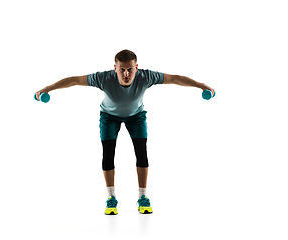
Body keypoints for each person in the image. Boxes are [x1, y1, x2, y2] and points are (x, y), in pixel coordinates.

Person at [35, 49, 214, 215]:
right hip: (109, 117)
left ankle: (142, 198)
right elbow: (74, 80)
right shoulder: (103, 78)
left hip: (136, 116)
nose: (126, 74)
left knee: (141, 153)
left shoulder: (147, 76)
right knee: (108, 154)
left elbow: (175, 78)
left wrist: (201, 85)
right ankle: (111, 198)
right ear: (115, 68)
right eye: (122, 70)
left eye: (130, 69)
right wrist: (47, 89)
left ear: (137, 67)